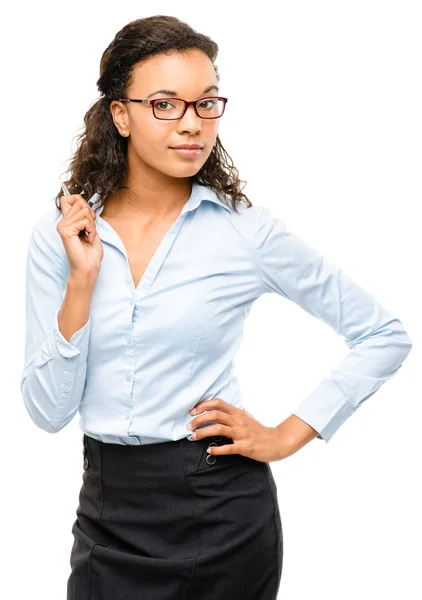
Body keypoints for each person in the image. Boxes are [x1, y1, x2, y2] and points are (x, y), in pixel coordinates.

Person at [20, 15, 412, 600]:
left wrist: (286, 436)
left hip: (223, 512)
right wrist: (82, 282)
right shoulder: (63, 234)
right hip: (107, 513)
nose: (191, 125)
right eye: (165, 104)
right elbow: (49, 413)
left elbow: (383, 333)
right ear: (120, 115)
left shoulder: (244, 232)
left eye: (206, 104)